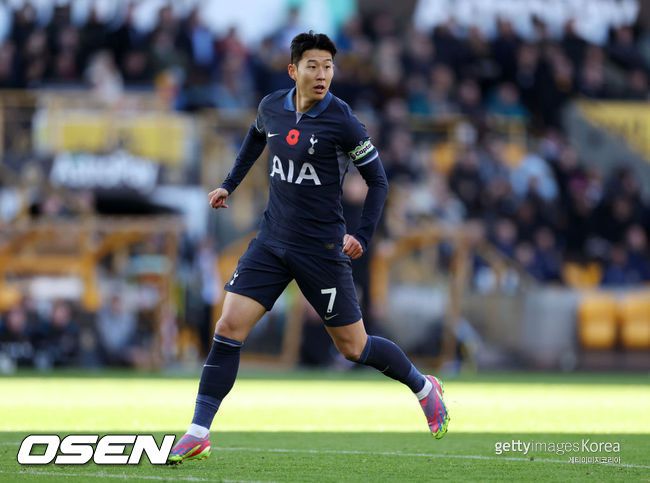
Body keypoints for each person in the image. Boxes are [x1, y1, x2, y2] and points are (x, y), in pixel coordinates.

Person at [167, 31, 449, 464]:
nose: (322, 75)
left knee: (354, 347)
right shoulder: (271, 107)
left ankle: (424, 387)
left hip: (321, 250)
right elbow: (255, 139)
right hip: (272, 242)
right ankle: (198, 432)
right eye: (313, 66)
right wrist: (228, 184)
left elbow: (378, 181)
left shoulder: (343, 120)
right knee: (228, 326)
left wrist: (363, 235)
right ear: (292, 70)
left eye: (328, 67)